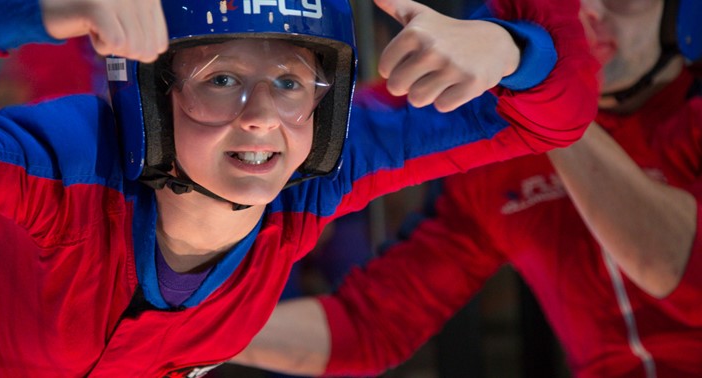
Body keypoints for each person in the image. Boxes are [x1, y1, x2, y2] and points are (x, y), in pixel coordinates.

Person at [0, 0, 597, 376]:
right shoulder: (68, 166)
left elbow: (556, 117)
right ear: (153, 96)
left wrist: (513, 51)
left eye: (287, 82)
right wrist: (24, 11)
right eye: (221, 79)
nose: (262, 120)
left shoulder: (319, 174)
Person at [233, 0, 702, 377]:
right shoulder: (494, 167)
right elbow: (371, 327)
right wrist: (192, 327)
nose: (590, 12)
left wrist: (542, 85)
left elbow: (680, 275)